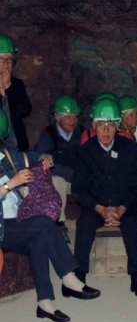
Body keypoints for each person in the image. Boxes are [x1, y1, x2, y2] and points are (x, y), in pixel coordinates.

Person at [0, 108, 100, 322]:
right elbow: (11, 183)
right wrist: (10, 184)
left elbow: (33, 155)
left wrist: (46, 159)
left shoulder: (4, 153)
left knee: (38, 240)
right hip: (2, 227)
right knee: (44, 224)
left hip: (17, 220)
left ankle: (44, 303)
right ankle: (69, 277)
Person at [72, 98, 137, 297]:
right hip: (97, 205)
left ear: (117, 126)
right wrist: (100, 208)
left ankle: (136, 276)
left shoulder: (130, 149)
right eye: (101, 125)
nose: (105, 130)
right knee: (85, 222)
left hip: (123, 205)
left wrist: (121, 208)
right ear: (94, 126)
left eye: (110, 125)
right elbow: (79, 189)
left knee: (131, 222)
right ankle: (79, 275)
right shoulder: (85, 151)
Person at [34, 95, 84, 225]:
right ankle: (58, 222)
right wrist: (70, 172)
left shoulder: (83, 133)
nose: (73, 120)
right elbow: (44, 164)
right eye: (68, 117)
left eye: (75, 117)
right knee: (57, 181)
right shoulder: (48, 135)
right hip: (63, 178)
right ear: (58, 117)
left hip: (80, 177)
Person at [0, 35, 32, 151]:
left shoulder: (17, 84)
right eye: (1, 59)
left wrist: (9, 87)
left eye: (9, 59)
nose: (5, 63)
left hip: (16, 145)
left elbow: (25, 111)